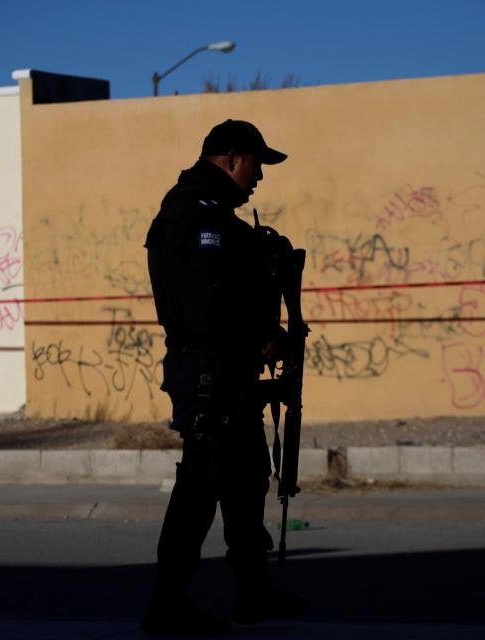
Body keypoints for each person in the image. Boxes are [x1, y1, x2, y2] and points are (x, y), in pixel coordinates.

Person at [141, 120, 309, 636]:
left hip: (226, 375)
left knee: (246, 479)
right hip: (208, 375)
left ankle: (252, 594)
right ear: (232, 158)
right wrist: (262, 336)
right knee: (200, 486)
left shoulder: (210, 215)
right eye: (256, 165)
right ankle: (167, 605)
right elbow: (206, 304)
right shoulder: (197, 216)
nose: (259, 177)